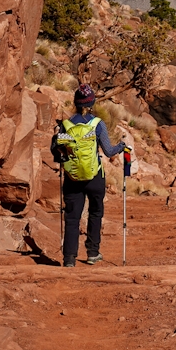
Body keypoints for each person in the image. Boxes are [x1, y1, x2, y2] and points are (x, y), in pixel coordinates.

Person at [51, 84, 127, 266]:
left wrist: (64, 160)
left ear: (76, 103)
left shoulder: (66, 125)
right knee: (95, 213)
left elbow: (55, 150)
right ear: (92, 103)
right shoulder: (97, 124)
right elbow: (108, 151)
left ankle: (69, 258)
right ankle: (93, 253)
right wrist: (121, 146)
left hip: (72, 178)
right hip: (95, 177)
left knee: (72, 217)